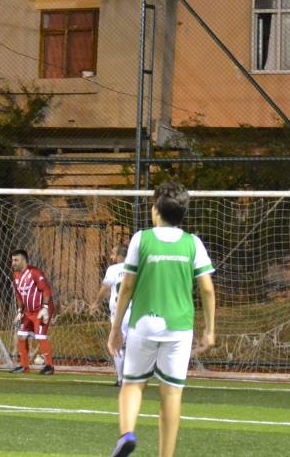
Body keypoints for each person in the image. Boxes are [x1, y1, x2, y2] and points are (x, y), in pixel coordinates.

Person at [107, 181, 216, 457]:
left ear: (156, 209)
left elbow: (127, 287)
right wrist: (210, 330)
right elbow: (207, 289)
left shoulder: (141, 239)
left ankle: (127, 433)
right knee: (171, 394)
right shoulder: (193, 243)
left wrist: (115, 328)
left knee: (133, 384)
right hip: (179, 329)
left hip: (143, 325)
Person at [11, 249, 54, 374]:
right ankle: (24, 367)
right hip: (28, 312)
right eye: (12, 260)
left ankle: (49, 367)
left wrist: (45, 308)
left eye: (16, 260)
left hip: (41, 310)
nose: (13, 263)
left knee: (40, 336)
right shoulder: (16, 275)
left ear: (24, 260)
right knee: (21, 335)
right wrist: (20, 311)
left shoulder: (35, 272)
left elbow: (46, 290)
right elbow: (19, 295)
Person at [97, 242, 130, 386]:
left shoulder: (113, 269)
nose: (111, 257)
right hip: (135, 311)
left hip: (119, 312)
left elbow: (105, 287)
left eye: (113, 254)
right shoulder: (136, 268)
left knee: (118, 344)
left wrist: (96, 302)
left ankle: (121, 379)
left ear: (119, 256)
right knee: (132, 345)